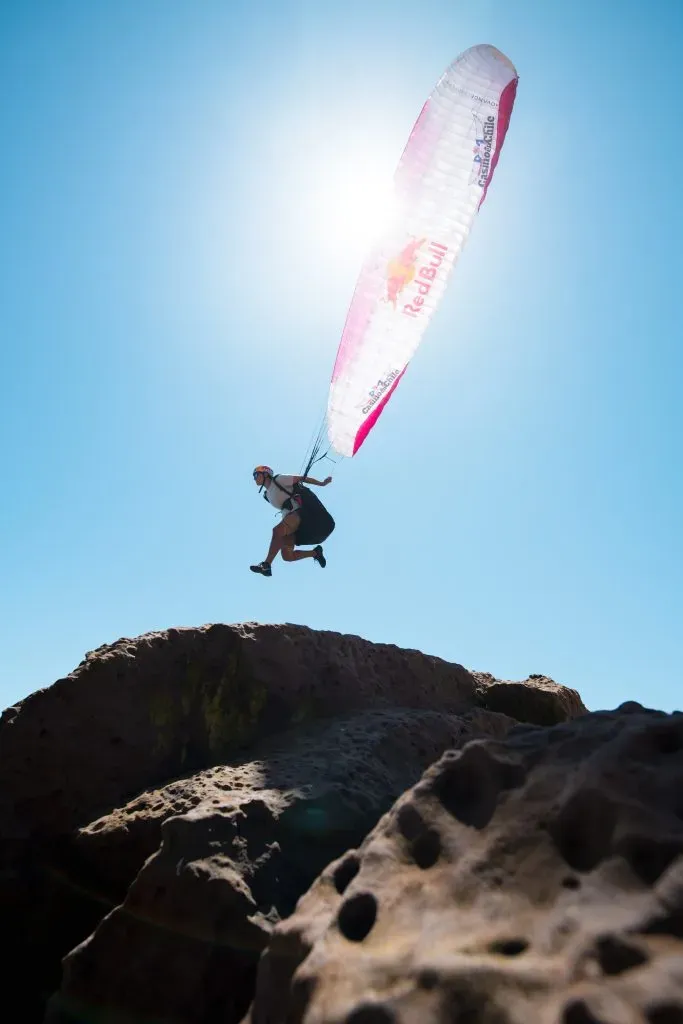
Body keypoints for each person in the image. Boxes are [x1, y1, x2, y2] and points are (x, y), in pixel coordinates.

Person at [250, 465, 335, 577]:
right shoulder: (267, 495)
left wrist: (322, 483)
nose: (255, 478)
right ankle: (316, 553)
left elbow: (302, 478)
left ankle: (266, 565)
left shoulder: (278, 479)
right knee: (287, 556)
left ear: (265, 474)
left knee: (277, 531)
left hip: (297, 513)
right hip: (288, 518)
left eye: (256, 475)